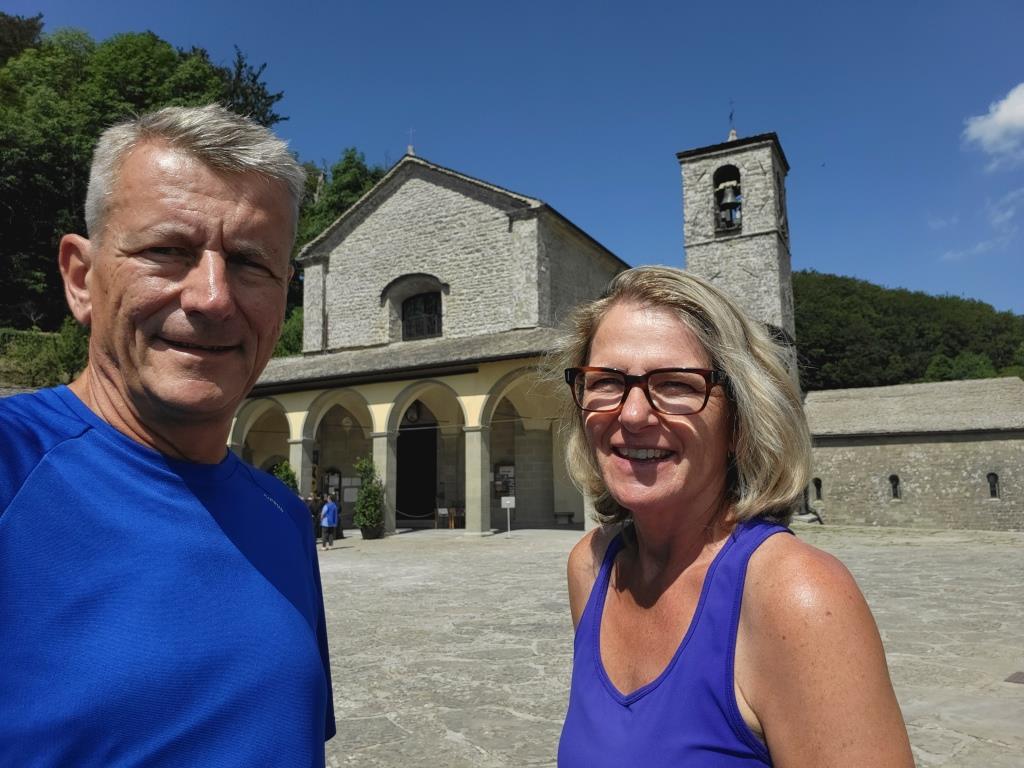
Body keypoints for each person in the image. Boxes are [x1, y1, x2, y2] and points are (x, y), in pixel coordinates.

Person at [0, 105, 335, 765]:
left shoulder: (283, 517)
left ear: (283, 298)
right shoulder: (12, 468)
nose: (212, 297)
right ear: (81, 278)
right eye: (167, 251)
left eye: (250, 263)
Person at [554, 267, 913, 767]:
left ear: (740, 421)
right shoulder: (592, 567)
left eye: (676, 384)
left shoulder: (797, 597)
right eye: (607, 381)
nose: (632, 414)